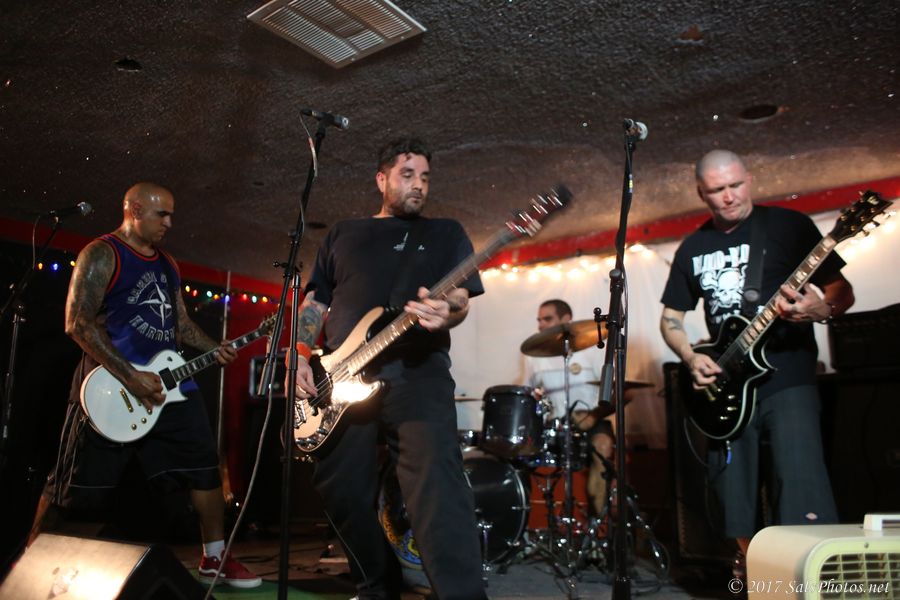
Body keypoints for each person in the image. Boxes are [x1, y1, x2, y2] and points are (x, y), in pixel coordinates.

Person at [30, 183, 261, 588]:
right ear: (134, 210)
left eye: (171, 215)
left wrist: (214, 348)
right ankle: (31, 561)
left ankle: (215, 558)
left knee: (204, 467)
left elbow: (181, 324)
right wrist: (130, 376)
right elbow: (77, 323)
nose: (169, 223)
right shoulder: (103, 253)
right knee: (69, 486)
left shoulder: (168, 264)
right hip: (110, 388)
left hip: (169, 385)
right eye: (162, 214)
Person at [289, 138, 488, 599]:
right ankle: (377, 587)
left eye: (425, 177)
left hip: (418, 371)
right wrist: (298, 354)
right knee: (340, 489)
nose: (419, 185)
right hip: (340, 379)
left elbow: (460, 297)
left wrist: (448, 312)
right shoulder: (343, 234)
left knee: (436, 487)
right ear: (381, 179)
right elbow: (315, 302)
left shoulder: (446, 232)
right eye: (407, 174)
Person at [659, 149, 854, 576]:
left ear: (749, 179)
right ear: (701, 193)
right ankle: (752, 574)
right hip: (728, 384)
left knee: (801, 484)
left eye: (735, 185)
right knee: (732, 493)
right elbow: (671, 318)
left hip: (788, 377)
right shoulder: (693, 247)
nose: (729, 196)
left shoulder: (789, 226)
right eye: (717, 190)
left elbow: (841, 290)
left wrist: (821, 309)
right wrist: (690, 357)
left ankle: (806, 577)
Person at [522, 299, 615, 517]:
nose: (541, 325)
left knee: (602, 444)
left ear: (566, 320)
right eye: (539, 320)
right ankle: (523, 521)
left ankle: (598, 522)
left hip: (591, 419)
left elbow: (621, 392)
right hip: (553, 425)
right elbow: (527, 394)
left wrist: (593, 416)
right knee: (518, 451)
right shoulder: (533, 356)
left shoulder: (592, 349)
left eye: (547, 319)